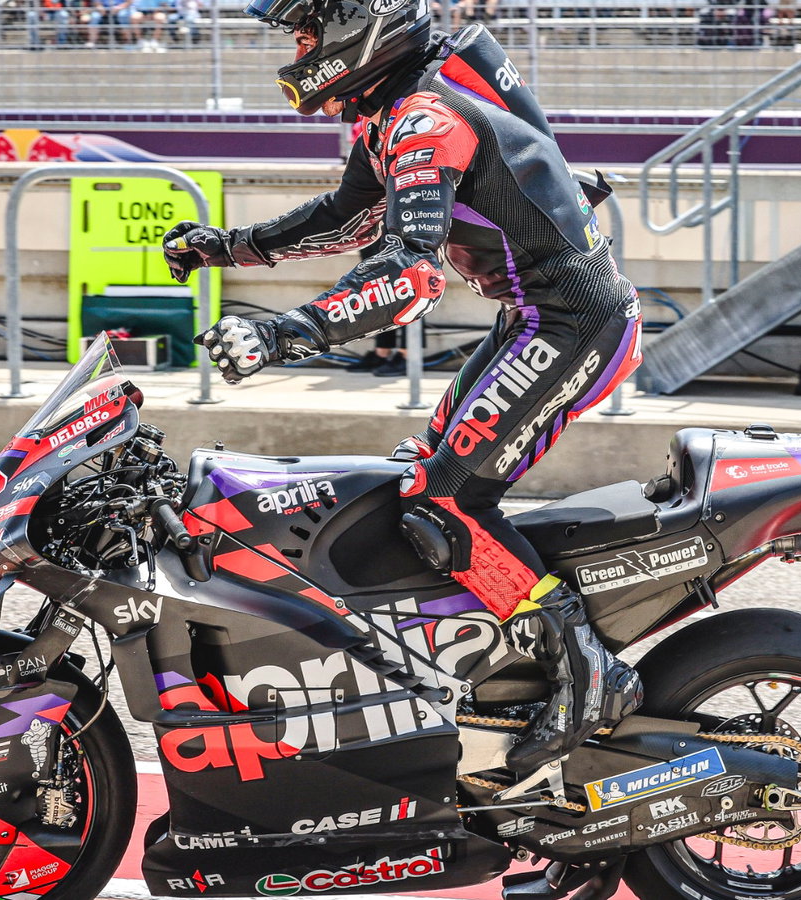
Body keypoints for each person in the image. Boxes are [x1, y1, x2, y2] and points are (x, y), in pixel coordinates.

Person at [163, 0, 644, 781]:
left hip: (572, 325)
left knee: (445, 500)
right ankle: (478, 660)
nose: (299, 51)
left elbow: (409, 275)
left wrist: (283, 333)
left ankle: (589, 674)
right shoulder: (393, 114)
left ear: (357, 28)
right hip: (535, 320)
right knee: (415, 477)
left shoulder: (425, 120)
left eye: (307, 34)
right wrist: (227, 248)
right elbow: (344, 218)